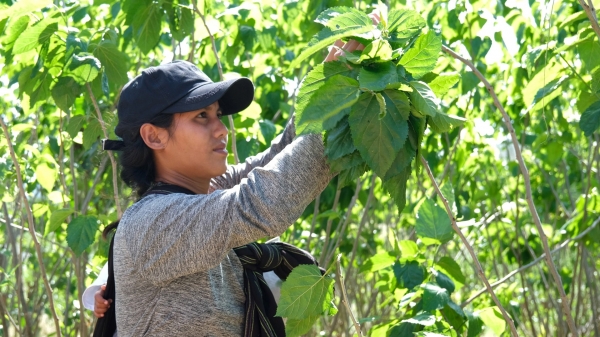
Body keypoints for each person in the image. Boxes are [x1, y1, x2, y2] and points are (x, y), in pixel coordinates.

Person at [94, 37, 367, 337]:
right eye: (201, 116)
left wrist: (324, 95)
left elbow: (275, 159)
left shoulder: (201, 195)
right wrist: (339, 109)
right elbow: (261, 203)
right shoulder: (152, 222)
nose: (222, 129)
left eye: (218, 115)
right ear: (155, 137)